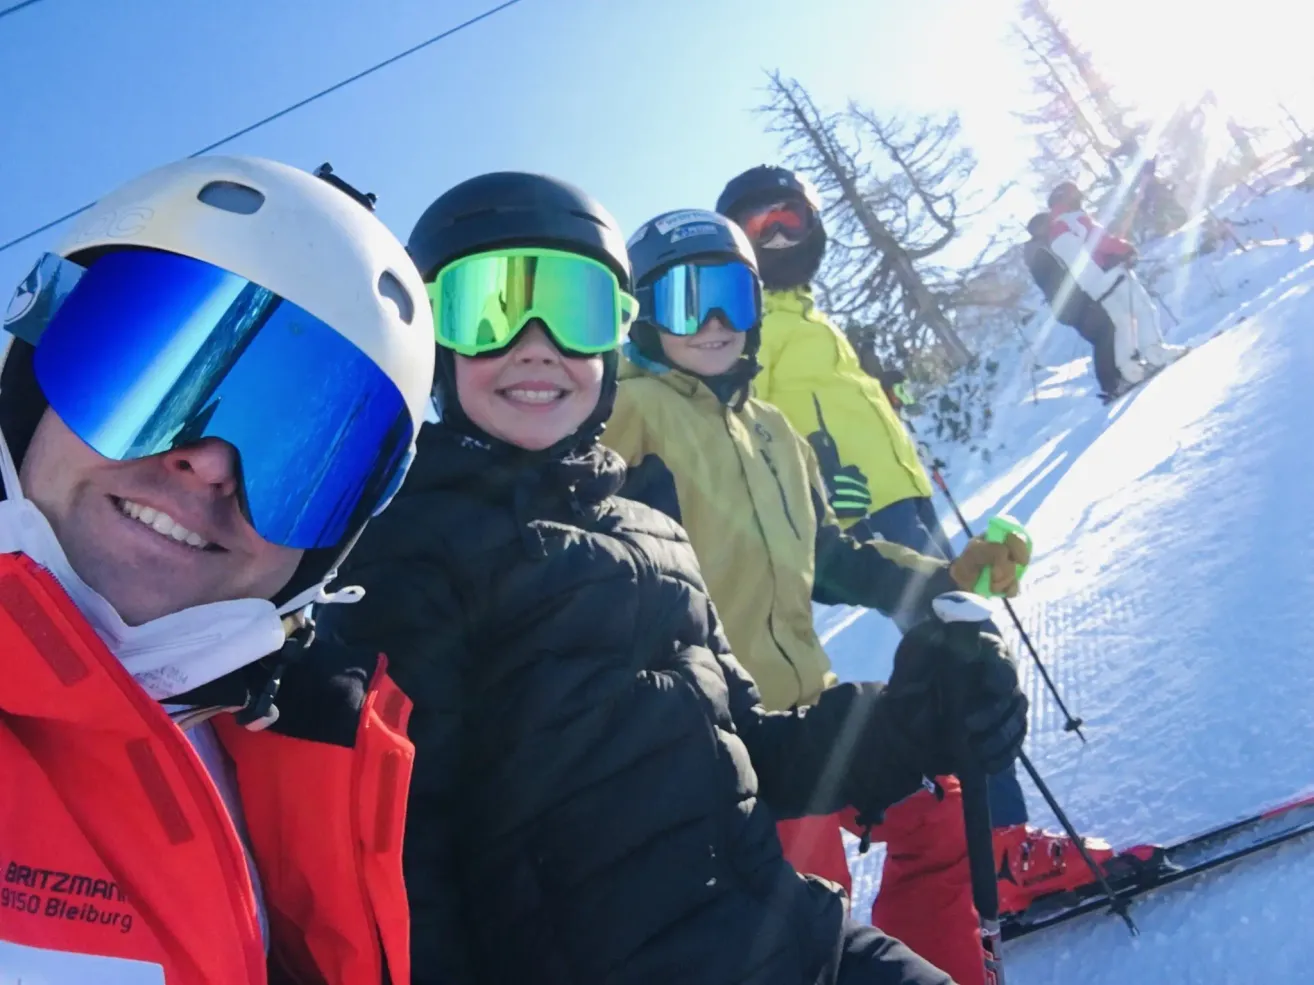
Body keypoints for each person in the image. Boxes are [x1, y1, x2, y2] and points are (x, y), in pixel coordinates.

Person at [318, 172, 1030, 985]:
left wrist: (922, 713)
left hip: (776, 927)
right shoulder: (414, 551)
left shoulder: (670, 514)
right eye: (490, 308)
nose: (538, 341)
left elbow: (744, 738)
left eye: (576, 307)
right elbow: (407, 870)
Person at [0, 156, 435, 983]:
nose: (210, 466)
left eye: (299, 452)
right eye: (152, 381)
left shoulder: (306, 776)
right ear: (30, 392)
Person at [605, 209, 1035, 985]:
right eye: (682, 300)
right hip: (726, 748)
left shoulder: (773, 431)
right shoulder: (626, 412)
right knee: (811, 931)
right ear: (640, 316)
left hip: (810, 716)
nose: (710, 323)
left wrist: (947, 575)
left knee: (939, 818)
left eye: (731, 298)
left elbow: (832, 556)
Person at [714, 165, 949, 570]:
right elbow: (740, 431)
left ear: (813, 226)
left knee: (967, 605)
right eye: (760, 228)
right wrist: (812, 489)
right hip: (861, 504)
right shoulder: (748, 328)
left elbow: (828, 398)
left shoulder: (813, 319)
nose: (779, 239)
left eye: (789, 221)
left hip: (905, 484)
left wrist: (878, 392)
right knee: (951, 622)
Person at [1047, 181, 1188, 391]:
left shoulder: (1055, 232)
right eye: (1076, 195)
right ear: (1067, 198)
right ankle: (1155, 352)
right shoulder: (1074, 218)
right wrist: (1124, 249)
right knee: (1143, 309)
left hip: (1092, 285)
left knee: (1122, 322)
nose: (1080, 198)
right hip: (1109, 272)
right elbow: (1100, 241)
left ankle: (1130, 370)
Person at [1022, 211, 1123, 397]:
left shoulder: (1036, 253)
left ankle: (1114, 380)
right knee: (1106, 331)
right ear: (1039, 229)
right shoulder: (1044, 252)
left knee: (1102, 336)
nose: (1053, 225)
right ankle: (1112, 384)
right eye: (1049, 223)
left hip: (1064, 308)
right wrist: (1084, 296)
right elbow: (1064, 278)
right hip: (1074, 303)